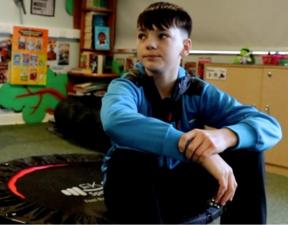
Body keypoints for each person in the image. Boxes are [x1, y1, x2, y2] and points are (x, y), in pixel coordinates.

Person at [100, 2, 282, 224]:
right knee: (127, 159)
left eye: (162, 35)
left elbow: (270, 126)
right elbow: (114, 120)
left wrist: (224, 137)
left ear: (185, 47)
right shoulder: (126, 85)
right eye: (142, 36)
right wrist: (197, 151)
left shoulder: (198, 90)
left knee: (248, 151)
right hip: (134, 190)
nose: (149, 44)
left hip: (181, 188)